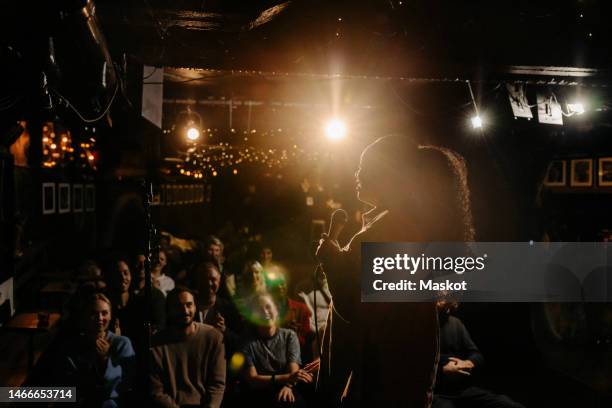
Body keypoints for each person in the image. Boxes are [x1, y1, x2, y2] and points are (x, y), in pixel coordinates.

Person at [317, 134, 475, 407]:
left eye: (365, 167)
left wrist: (331, 259)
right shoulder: (402, 226)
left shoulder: (389, 230)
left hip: (384, 374)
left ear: (387, 175)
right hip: (399, 369)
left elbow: (357, 304)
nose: (357, 173)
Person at [434, 300, 525, 408]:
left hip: (462, 389)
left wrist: (469, 363)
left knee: (508, 405)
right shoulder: (420, 326)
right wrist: (442, 370)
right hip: (436, 392)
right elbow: (413, 365)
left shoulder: (455, 323)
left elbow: (476, 355)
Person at [55, 293, 135, 407]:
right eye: (93, 313)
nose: (100, 318)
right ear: (84, 316)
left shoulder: (122, 343)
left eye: (104, 313)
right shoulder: (72, 346)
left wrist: (105, 361)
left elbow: (125, 384)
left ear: (111, 315)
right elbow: (66, 386)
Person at [150, 287, 226, 408]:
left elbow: (217, 384)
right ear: (169, 310)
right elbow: (157, 391)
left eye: (189, 305)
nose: (185, 310)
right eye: (178, 306)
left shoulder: (213, 337)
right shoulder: (156, 344)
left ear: (195, 307)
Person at [242, 293, 314, 407]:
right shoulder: (247, 343)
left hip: (287, 388)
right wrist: (287, 378)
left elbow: (293, 371)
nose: (265, 312)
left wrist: (288, 386)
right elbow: (253, 380)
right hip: (259, 395)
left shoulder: (289, 336)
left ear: (276, 310)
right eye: (259, 309)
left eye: (268, 307)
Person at [105, 258, 166, 350]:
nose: (122, 278)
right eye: (117, 274)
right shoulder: (106, 306)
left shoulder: (140, 303)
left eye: (126, 273)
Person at [266, 270, 314, 356]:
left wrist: (295, 335)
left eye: (282, 283)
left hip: (297, 351)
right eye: (276, 284)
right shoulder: (265, 310)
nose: (280, 287)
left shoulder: (301, 308)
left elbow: (306, 334)